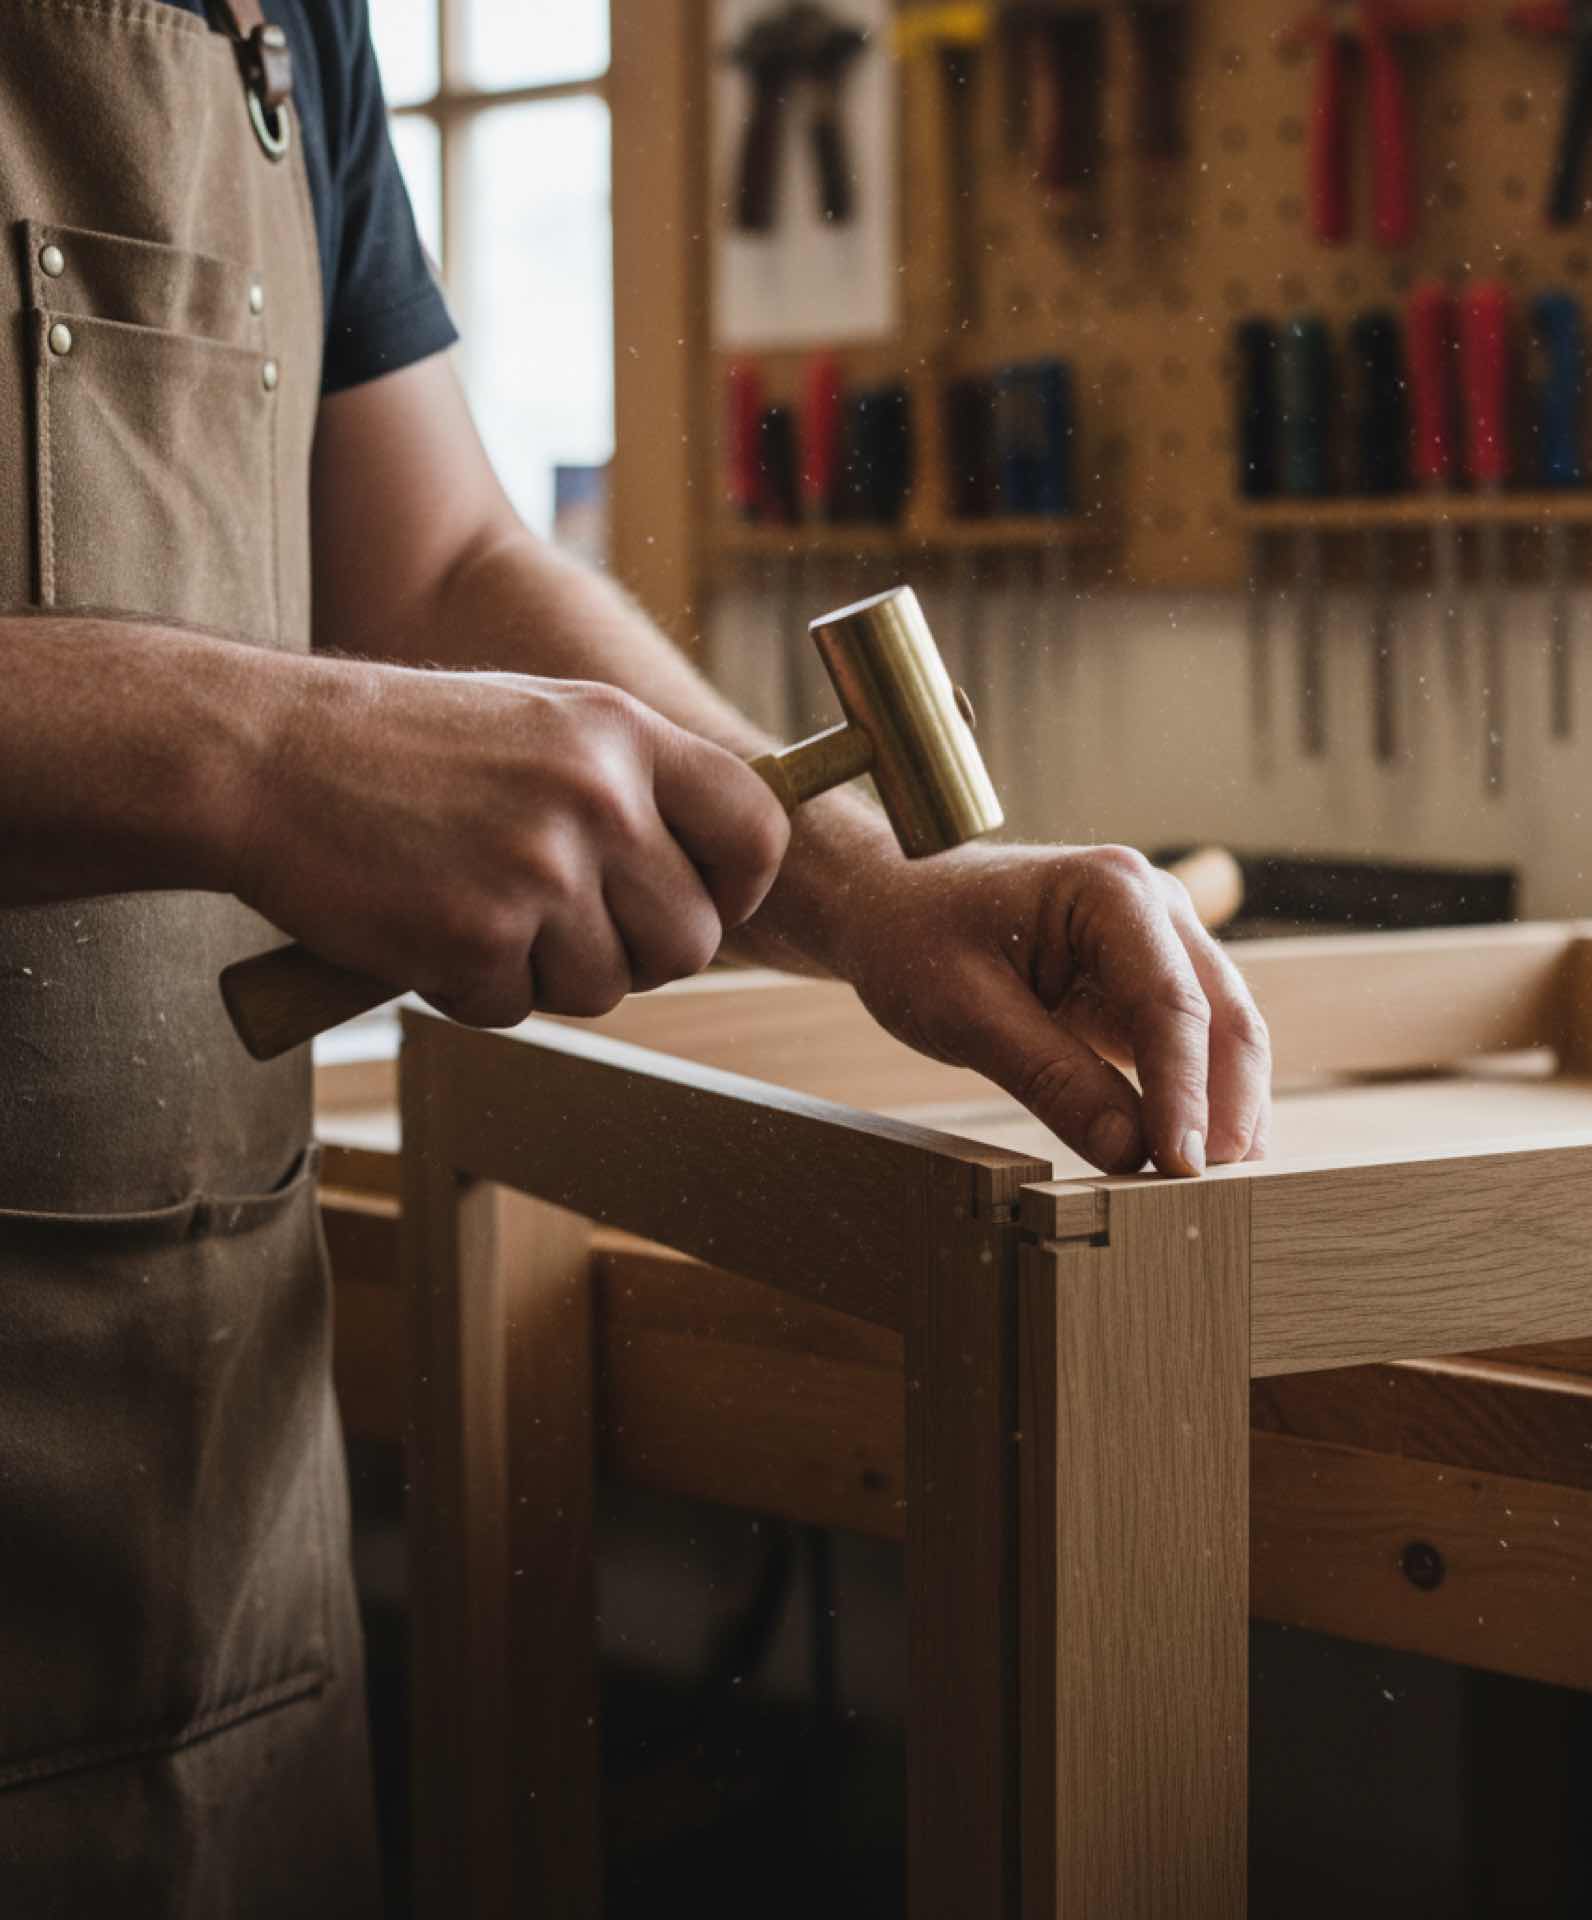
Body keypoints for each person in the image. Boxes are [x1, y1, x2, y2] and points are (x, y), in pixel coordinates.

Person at [0, 0, 1271, 1908]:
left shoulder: (288, 25)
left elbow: (428, 567)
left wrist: (860, 897)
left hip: (195, 1489)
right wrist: (258, 746)